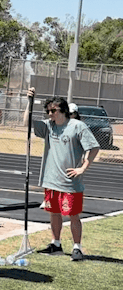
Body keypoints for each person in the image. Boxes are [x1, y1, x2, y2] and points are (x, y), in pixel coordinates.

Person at [25, 90, 99, 261]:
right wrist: (29, 102)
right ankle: (56, 244)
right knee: (54, 213)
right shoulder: (48, 126)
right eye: (48, 111)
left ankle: (77, 247)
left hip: (70, 182)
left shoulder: (77, 126)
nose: (50, 114)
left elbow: (94, 147)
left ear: (63, 110)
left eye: (53, 110)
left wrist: (83, 168)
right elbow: (26, 123)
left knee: (73, 215)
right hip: (51, 180)